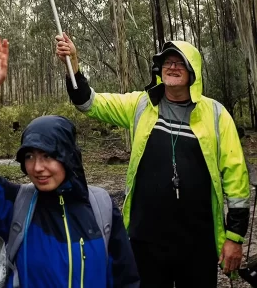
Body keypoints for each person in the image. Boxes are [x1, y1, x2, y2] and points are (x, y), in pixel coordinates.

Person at [56, 34, 250, 288]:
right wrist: (74, 65)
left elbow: (236, 178)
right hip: (145, 240)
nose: (172, 67)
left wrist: (234, 237)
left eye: (180, 63)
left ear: (194, 71)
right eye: (167, 62)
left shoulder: (216, 114)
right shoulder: (141, 104)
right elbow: (88, 102)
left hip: (197, 243)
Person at [0, 36, 140, 288]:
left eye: (48, 156)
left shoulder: (102, 208)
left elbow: (125, 279)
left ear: (68, 158)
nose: (37, 168)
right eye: (29, 157)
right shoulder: (15, 207)